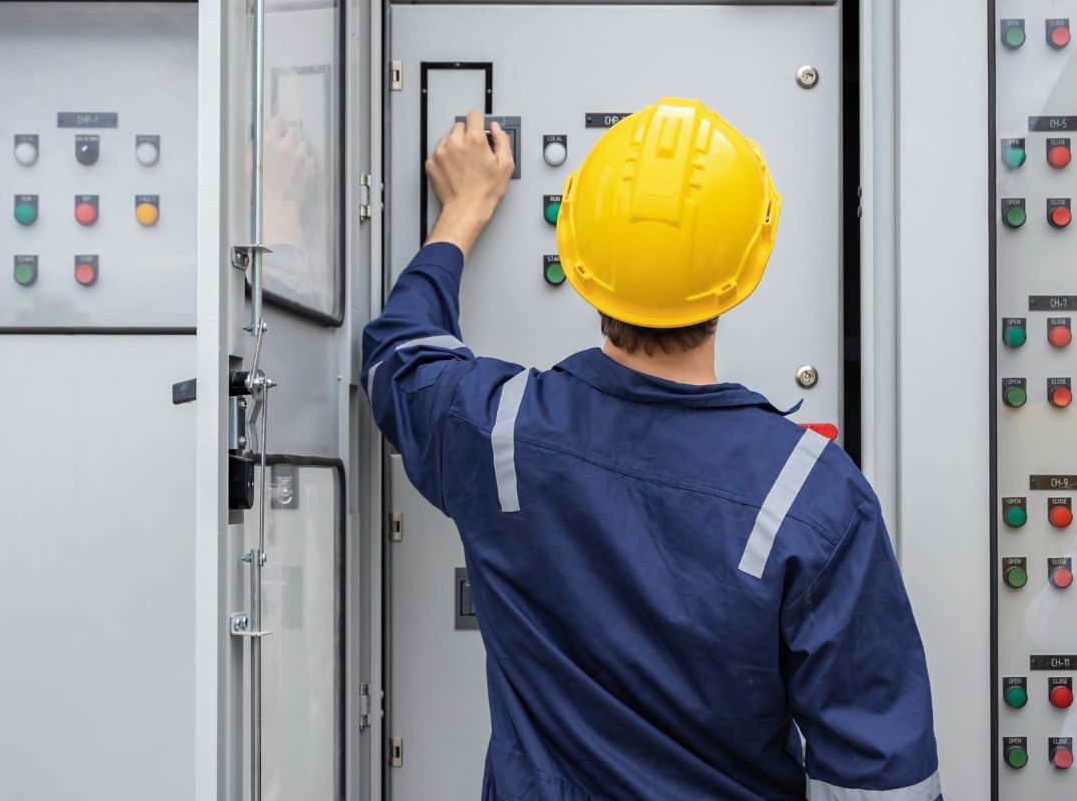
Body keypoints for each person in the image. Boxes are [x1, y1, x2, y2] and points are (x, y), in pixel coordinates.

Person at [362, 100, 941, 800]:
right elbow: (878, 777)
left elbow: (397, 356)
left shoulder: (498, 430)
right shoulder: (814, 496)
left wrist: (462, 210)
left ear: (577, 256)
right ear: (747, 265)